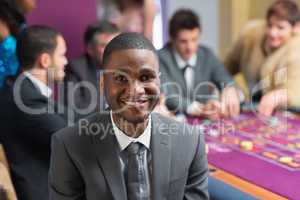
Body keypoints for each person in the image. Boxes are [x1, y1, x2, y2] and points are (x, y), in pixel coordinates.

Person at [49, 32, 209, 200]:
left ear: (159, 81)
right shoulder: (69, 145)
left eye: (146, 77)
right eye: (121, 78)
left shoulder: (191, 142)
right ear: (103, 83)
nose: (135, 90)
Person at [0, 25, 69, 200]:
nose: (66, 61)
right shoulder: (25, 98)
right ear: (45, 60)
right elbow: (70, 141)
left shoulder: (21, 89)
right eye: (62, 55)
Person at [159, 9, 240, 120]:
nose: (190, 47)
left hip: (204, 123)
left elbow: (225, 78)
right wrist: (199, 108)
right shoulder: (160, 58)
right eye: (183, 41)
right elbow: (168, 95)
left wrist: (230, 88)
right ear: (172, 39)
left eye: (194, 39)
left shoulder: (207, 55)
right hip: (173, 123)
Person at [224, 0, 300, 116]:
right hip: (253, 109)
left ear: (296, 27)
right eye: (270, 25)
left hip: (288, 115)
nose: (273, 33)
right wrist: (228, 87)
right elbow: (224, 69)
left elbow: (295, 91)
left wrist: (277, 96)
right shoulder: (250, 34)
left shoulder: (297, 49)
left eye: (280, 28)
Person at [63, 21, 119, 117]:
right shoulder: (76, 68)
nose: (112, 50)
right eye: (104, 45)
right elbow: (74, 109)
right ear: (90, 49)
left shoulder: (129, 67)